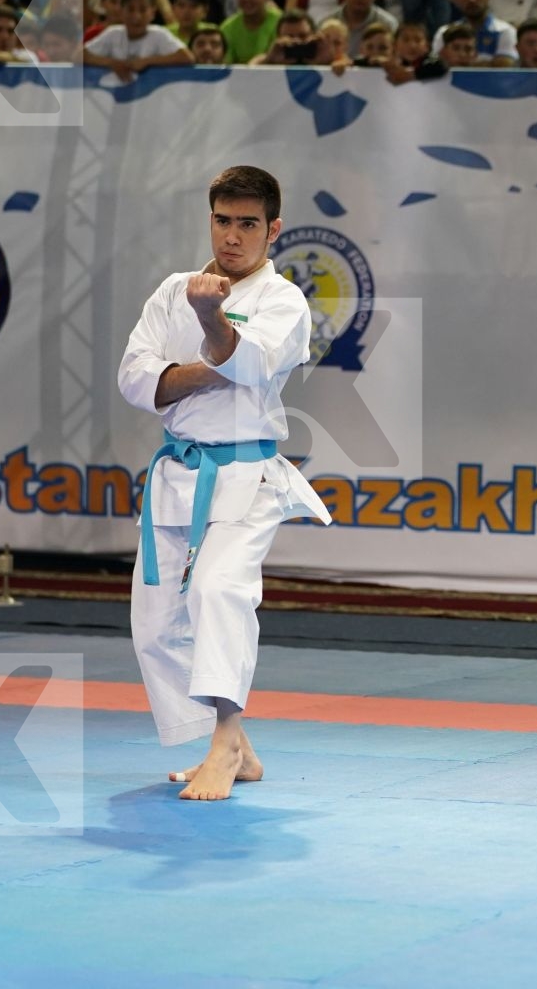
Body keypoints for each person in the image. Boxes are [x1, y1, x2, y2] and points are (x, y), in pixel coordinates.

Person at [116, 166, 332, 802]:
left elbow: (252, 363)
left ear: (273, 230)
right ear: (209, 219)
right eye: (222, 220)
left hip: (244, 474)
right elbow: (136, 379)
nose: (232, 235)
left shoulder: (283, 301)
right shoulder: (173, 290)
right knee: (155, 623)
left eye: (248, 224)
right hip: (176, 472)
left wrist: (211, 326)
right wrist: (214, 362)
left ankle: (225, 741)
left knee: (218, 591)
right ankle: (239, 750)